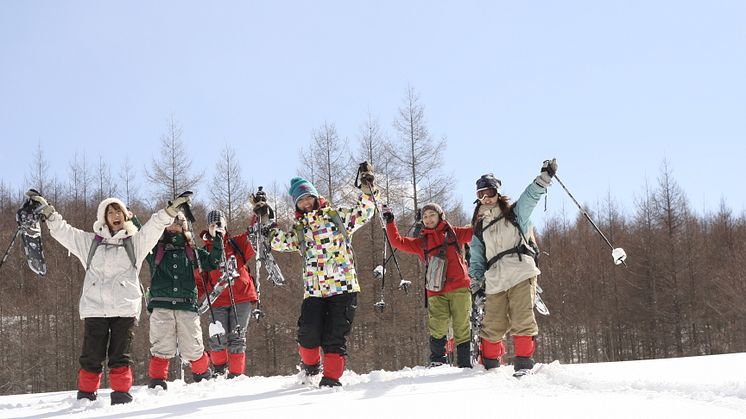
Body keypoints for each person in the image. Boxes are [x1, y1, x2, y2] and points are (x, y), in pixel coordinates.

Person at [28, 191, 189, 404]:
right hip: (95, 308)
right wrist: (48, 212)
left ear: (125, 216)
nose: (115, 215)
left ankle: (121, 396)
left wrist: (170, 211)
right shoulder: (90, 243)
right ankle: (86, 396)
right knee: (91, 356)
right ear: (103, 217)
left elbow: (154, 227)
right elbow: (64, 232)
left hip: (124, 309)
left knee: (120, 357)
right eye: (110, 212)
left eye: (118, 211)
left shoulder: (135, 242)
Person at [258, 166, 377, 387]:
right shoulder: (300, 229)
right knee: (308, 333)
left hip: (344, 287)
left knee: (334, 338)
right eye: (300, 200)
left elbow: (365, 212)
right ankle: (310, 368)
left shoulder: (337, 215)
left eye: (307, 197)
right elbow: (278, 241)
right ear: (296, 204)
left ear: (315, 196)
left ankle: (331, 380)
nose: (305, 203)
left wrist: (368, 190)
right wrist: (265, 220)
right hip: (315, 290)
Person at [468, 159, 557, 375]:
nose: (485, 198)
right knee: (492, 324)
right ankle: (490, 366)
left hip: (520, 272)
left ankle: (524, 365)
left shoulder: (515, 214)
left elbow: (530, 197)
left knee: (522, 318)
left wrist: (544, 178)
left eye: (488, 192)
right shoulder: (480, 228)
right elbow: (477, 259)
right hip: (495, 279)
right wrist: (476, 284)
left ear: (497, 192)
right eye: (480, 194)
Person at [383, 203, 474, 368]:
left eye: (432, 215)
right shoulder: (421, 242)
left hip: (459, 288)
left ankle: (464, 364)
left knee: (461, 325)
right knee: (437, 326)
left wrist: (483, 214)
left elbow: (478, 232)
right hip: (436, 291)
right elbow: (397, 242)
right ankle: (438, 361)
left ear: (440, 216)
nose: (428, 219)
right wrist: (390, 222)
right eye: (425, 216)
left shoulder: (455, 233)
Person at [145, 212, 224, 389]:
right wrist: (132, 220)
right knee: (161, 346)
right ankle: (157, 381)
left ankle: (203, 375)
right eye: (172, 222)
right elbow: (138, 239)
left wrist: (216, 238)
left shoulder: (192, 251)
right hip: (161, 305)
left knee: (193, 345)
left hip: (187, 305)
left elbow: (213, 262)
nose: (175, 225)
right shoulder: (154, 248)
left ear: (185, 226)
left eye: (179, 222)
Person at [195, 209, 258, 378]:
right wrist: (193, 298)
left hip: (242, 296)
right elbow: (199, 280)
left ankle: (236, 375)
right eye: (212, 225)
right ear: (207, 228)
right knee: (217, 337)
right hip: (216, 300)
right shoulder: (204, 252)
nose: (216, 227)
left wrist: (258, 214)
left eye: (219, 224)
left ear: (225, 225)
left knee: (237, 336)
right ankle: (219, 370)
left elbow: (254, 236)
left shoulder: (236, 243)